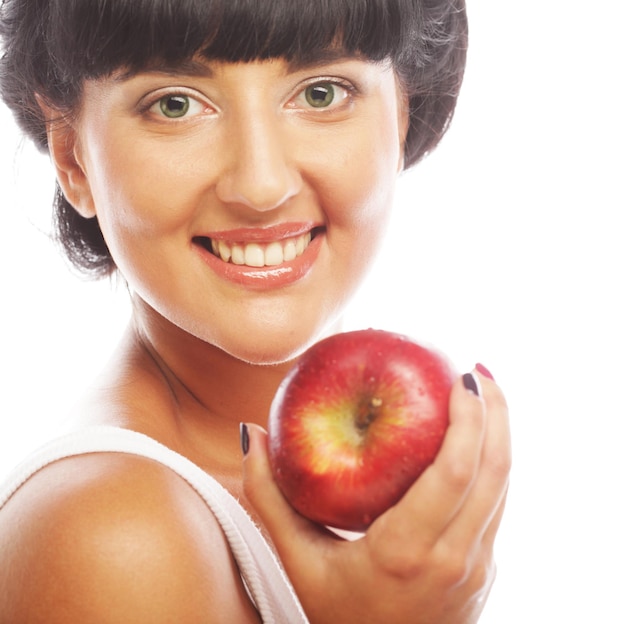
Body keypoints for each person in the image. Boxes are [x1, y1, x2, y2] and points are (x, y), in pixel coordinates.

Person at [0, 0, 511, 622]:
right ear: (72, 158)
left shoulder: (415, 491)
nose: (262, 185)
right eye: (175, 103)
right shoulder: (110, 536)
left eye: (322, 93)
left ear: (405, 110)